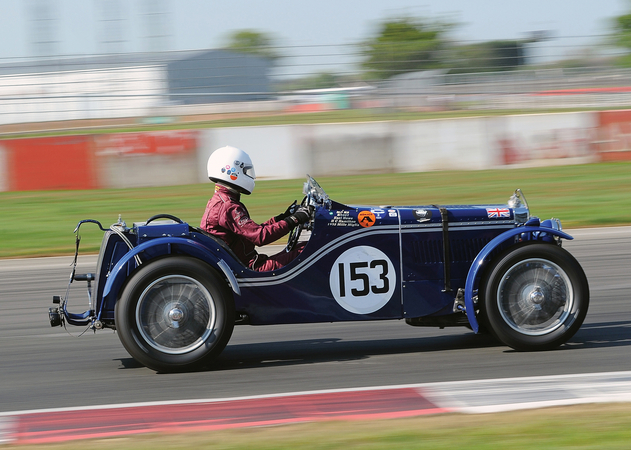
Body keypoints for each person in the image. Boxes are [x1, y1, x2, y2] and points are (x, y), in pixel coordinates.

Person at [201, 145, 312, 272]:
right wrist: (295, 219)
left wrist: (282, 218)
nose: (249, 176)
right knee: (309, 251)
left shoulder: (219, 201)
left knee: (301, 248)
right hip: (250, 268)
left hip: (242, 264)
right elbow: (260, 237)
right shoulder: (228, 206)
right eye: (245, 171)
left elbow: (251, 232)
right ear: (231, 171)